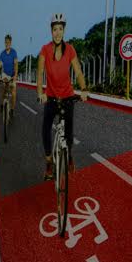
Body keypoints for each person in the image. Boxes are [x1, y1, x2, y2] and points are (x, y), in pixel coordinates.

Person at [37, 13, 88, 180]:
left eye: (60, 29)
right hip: (51, 98)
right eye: (54, 29)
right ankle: (49, 163)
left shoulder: (70, 49)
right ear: (51, 31)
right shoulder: (45, 49)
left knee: (69, 134)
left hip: (67, 97)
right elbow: (39, 73)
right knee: (45, 129)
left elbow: (78, 71)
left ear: (64, 30)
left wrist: (84, 89)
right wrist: (40, 93)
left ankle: (69, 155)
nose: (57, 32)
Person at [0, 34, 19, 114]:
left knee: (13, 92)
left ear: (11, 43)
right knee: (3, 88)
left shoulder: (14, 52)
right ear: (4, 43)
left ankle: (12, 109)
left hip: (12, 75)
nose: (7, 44)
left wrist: (15, 75)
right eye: (6, 42)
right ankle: (2, 104)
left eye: (8, 42)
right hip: (5, 74)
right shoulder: (2, 53)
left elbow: (16, 64)